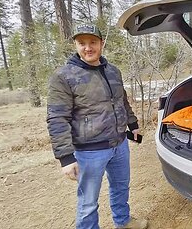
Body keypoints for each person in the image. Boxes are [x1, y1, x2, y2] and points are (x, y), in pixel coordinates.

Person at [46, 24, 148, 229]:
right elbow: (57, 118)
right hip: (89, 151)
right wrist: (66, 158)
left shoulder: (113, 71)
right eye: (81, 43)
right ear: (75, 45)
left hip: (119, 144)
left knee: (121, 188)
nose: (87, 47)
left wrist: (133, 125)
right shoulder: (64, 76)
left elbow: (122, 101)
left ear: (102, 43)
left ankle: (123, 221)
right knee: (88, 202)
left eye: (92, 42)